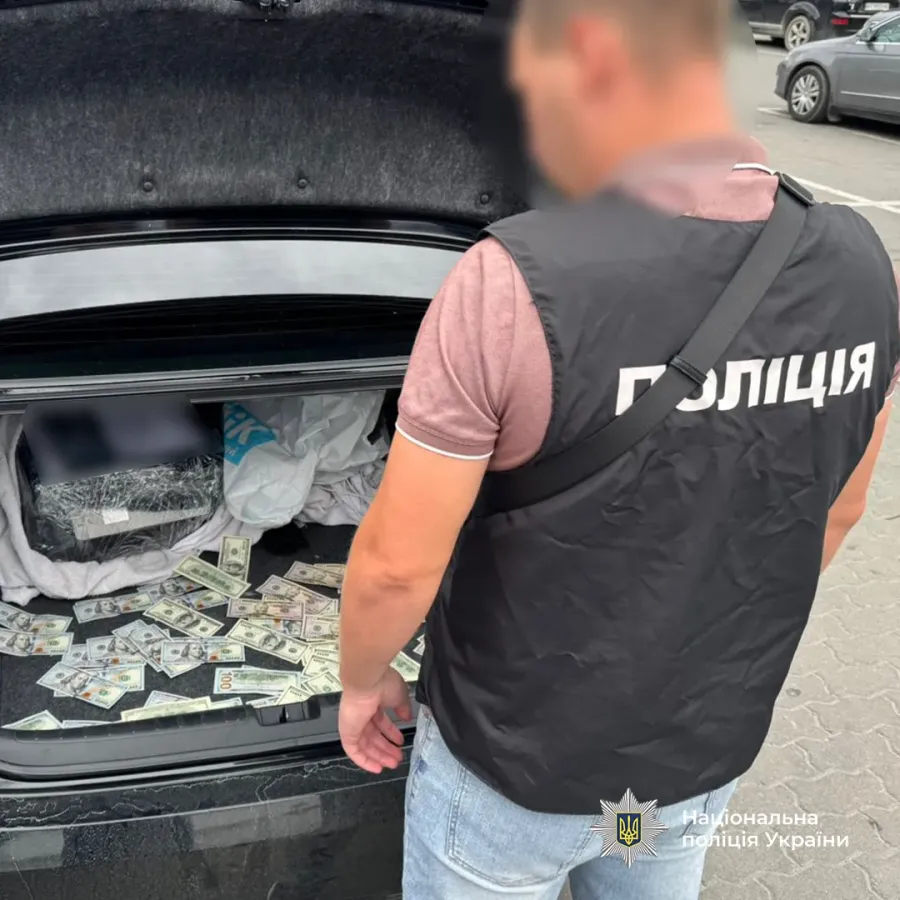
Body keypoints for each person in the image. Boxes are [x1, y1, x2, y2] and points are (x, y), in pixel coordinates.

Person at [337, 0, 900, 897]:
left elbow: (397, 567)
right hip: (688, 764)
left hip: (512, 783)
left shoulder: (512, 283)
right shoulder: (866, 270)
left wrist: (362, 684)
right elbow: (836, 511)